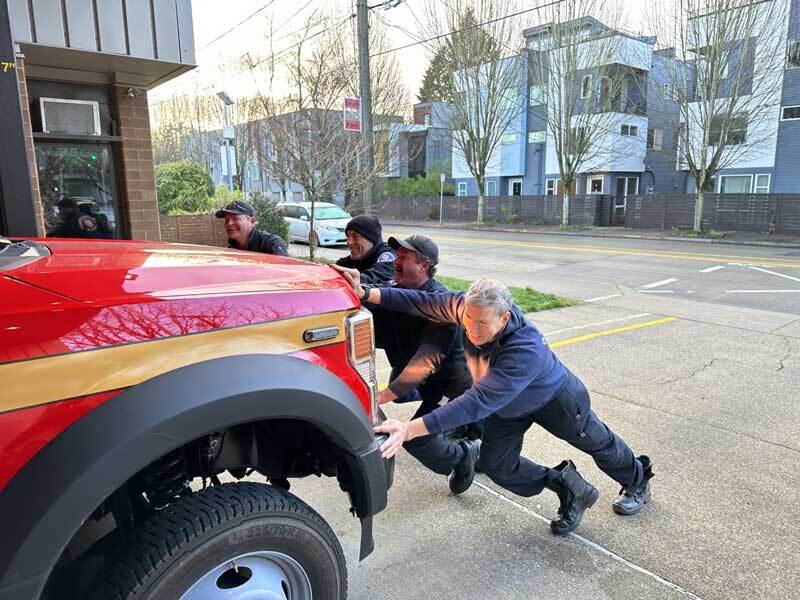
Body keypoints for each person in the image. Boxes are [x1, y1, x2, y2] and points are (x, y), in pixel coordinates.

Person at [338, 275, 654, 535]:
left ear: (504, 318)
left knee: (598, 443)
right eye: (468, 320)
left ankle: (637, 480)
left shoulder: (524, 349)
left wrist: (408, 429)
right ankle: (568, 486)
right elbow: (420, 302)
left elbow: (476, 402)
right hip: (509, 409)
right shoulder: (467, 307)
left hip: (554, 398)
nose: (473, 331)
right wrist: (367, 292)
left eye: (483, 324)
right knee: (498, 466)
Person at [344, 235, 479, 494]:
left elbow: (426, 360)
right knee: (405, 394)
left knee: (418, 440)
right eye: (397, 255)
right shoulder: (396, 287)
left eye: (404, 257)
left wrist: (381, 396)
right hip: (429, 384)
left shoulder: (441, 304)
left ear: (424, 265)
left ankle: (463, 455)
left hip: (451, 386)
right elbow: (372, 287)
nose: (396, 261)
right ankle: (469, 428)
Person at [335, 215, 394, 284]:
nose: (349, 242)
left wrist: (355, 280)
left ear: (371, 239)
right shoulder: (349, 261)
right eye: (348, 237)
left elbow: (379, 276)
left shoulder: (388, 254)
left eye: (355, 237)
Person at [215, 201, 288, 256]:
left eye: (235, 219)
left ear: (252, 221)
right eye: (226, 220)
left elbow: (283, 272)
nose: (229, 224)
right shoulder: (230, 250)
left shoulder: (272, 243)